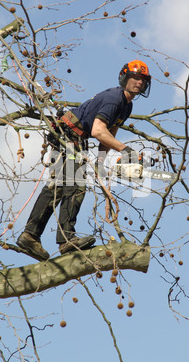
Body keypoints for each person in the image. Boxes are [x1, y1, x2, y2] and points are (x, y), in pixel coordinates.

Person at [17, 59, 152, 261]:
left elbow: (109, 131)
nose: (139, 82)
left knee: (59, 187)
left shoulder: (127, 105)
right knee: (76, 186)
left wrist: (100, 162)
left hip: (73, 137)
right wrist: (126, 150)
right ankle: (65, 239)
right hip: (68, 134)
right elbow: (98, 131)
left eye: (142, 79)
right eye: (135, 77)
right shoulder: (114, 98)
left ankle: (31, 236)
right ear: (125, 77)